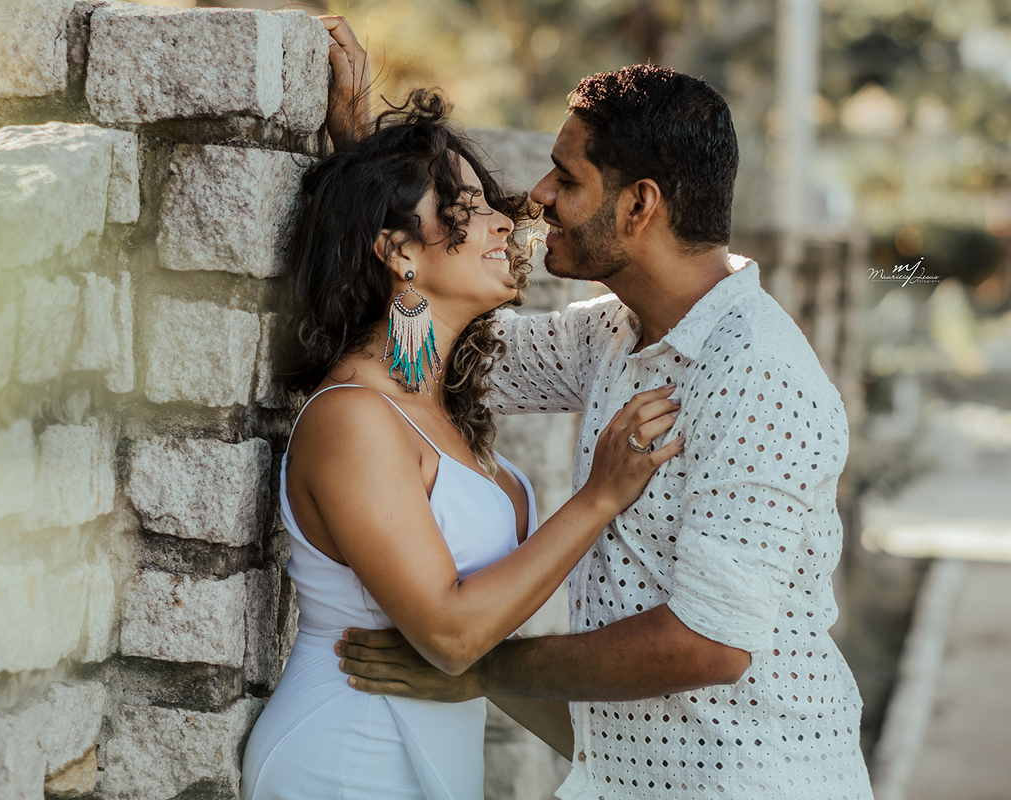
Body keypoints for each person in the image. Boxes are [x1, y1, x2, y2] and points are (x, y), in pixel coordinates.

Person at [329, 38, 875, 800]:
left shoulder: (759, 376)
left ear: (639, 205)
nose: (538, 195)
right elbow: (425, 358)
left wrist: (475, 665)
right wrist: (373, 182)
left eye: (568, 177)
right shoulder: (612, 333)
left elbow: (709, 645)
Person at [238, 39, 687, 800]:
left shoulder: (432, 394)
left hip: (427, 749)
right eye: (467, 210)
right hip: (348, 754)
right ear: (398, 252)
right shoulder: (353, 420)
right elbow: (450, 636)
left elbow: (403, 307)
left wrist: (369, 163)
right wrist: (600, 498)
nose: (503, 224)